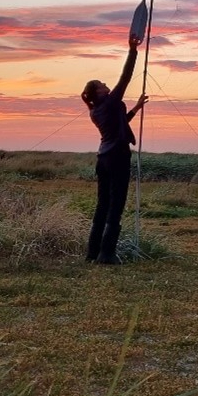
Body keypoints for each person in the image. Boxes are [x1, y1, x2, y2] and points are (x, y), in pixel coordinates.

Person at [80, 34, 149, 264]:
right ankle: (106, 254)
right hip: (117, 156)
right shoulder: (108, 103)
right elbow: (125, 77)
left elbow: (120, 123)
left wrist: (136, 107)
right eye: (101, 85)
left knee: (103, 204)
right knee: (116, 203)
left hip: (104, 158)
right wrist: (132, 50)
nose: (106, 85)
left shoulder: (97, 110)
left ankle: (93, 252)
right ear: (98, 92)